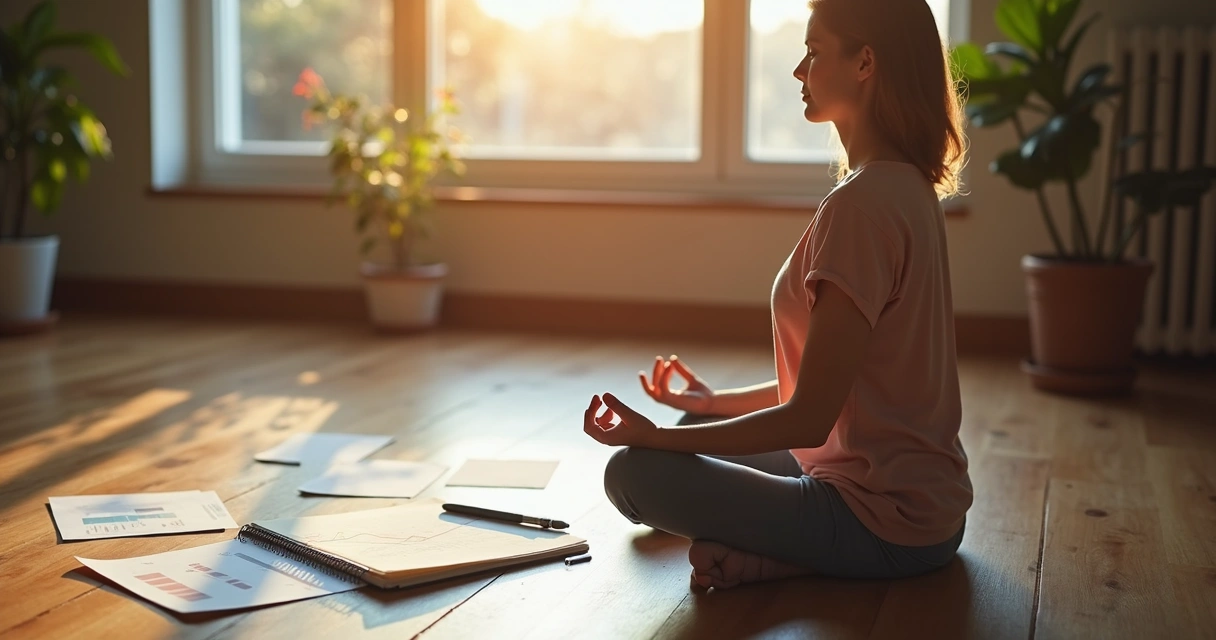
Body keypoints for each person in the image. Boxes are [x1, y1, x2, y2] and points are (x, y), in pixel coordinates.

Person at [582, 0, 972, 590]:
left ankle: (803, 555)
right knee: (693, 425)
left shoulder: (861, 208)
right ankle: (778, 558)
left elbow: (810, 417)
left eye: (814, 53)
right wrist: (716, 403)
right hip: (931, 513)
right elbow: (843, 386)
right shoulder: (907, 187)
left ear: (865, 62)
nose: (799, 71)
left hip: (884, 522)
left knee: (634, 473)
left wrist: (654, 438)